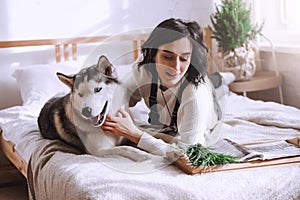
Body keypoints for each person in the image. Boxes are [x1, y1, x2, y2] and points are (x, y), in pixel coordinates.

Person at [101, 18, 223, 156]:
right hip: (170, 121)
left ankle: (223, 78)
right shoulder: (144, 69)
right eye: (168, 57)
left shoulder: (196, 95)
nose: (175, 67)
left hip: (210, 106)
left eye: (184, 59)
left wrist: (134, 134)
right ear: (153, 55)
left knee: (215, 84)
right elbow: (121, 94)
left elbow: (189, 154)